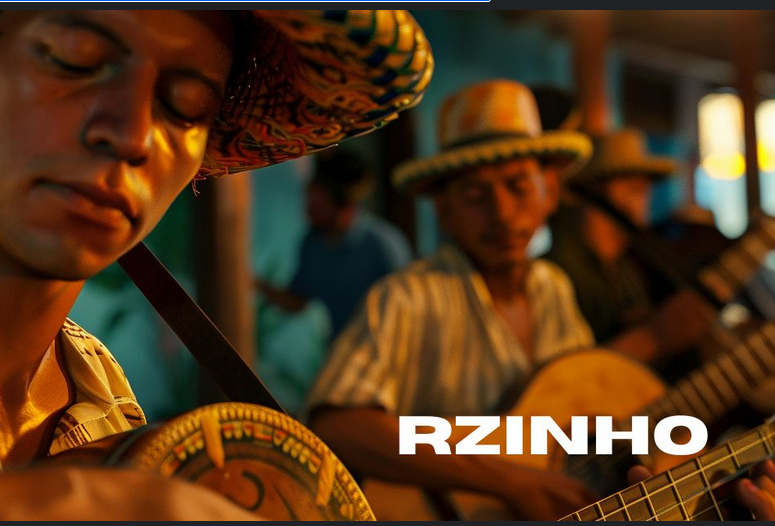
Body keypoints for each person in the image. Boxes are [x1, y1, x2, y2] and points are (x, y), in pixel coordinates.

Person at [0, 9, 433, 519]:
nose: (133, 134)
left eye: (186, 106)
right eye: (75, 60)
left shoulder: (96, 382)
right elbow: (350, 428)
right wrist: (69, 501)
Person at [304, 79, 775, 520]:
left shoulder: (553, 287)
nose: (503, 213)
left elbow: (567, 417)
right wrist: (508, 481)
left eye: (518, 186)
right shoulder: (406, 297)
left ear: (549, 193)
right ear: (444, 210)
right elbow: (338, 423)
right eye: (475, 195)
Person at [545, 128, 716, 368]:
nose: (643, 200)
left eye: (644, 190)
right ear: (596, 196)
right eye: (633, 189)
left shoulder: (626, 266)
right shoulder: (559, 273)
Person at [254, 150, 413, 342]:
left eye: (317, 206)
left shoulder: (383, 245)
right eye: (308, 202)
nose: (307, 212)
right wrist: (255, 283)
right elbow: (297, 301)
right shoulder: (312, 244)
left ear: (345, 208)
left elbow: (406, 310)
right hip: (340, 355)